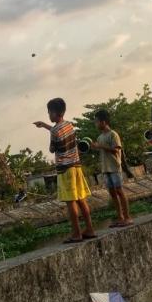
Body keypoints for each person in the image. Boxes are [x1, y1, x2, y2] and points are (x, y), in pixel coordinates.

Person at [34, 98, 96, 243]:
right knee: (81, 199)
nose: (48, 114)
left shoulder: (55, 131)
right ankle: (90, 229)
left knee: (70, 202)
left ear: (54, 113)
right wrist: (45, 126)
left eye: (49, 112)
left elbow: (52, 148)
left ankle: (76, 233)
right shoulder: (69, 125)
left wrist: (48, 130)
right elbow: (59, 130)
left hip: (65, 169)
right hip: (76, 166)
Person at [92, 109, 132, 227]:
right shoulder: (100, 137)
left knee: (119, 191)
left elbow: (116, 149)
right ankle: (120, 218)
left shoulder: (113, 134)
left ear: (103, 122)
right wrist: (96, 147)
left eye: (97, 122)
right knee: (113, 194)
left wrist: (101, 146)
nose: (96, 124)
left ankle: (127, 217)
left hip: (114, 167)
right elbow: (102, 148)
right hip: (105, 169)